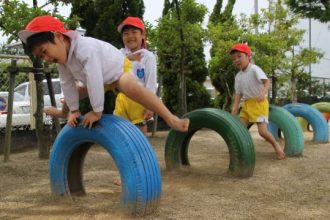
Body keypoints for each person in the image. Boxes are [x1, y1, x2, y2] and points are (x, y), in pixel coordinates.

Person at [18, 15, 189, 133]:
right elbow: (66, 84)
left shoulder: (84, 49)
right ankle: (66, 112)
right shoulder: (62, 60)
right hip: (100, 80)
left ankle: (171, 119)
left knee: (129, 86)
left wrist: (97, 112)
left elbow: (93, 79)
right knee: (74, 92)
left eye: (45, 51)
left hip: (117, 72)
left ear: (58, 37)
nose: (47, 58)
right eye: (42, 56)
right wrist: (76, 110)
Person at [230, 43, 285, 160]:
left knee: (262, 132)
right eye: (234, 58)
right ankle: (243, 151)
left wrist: (262, 93)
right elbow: (238, 93)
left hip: (259, 104)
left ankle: (277, 146)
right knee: (239, 129)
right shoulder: (238, 76)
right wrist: (235, 107)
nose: (236, 60)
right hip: (246, 105)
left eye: (239, 56)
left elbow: (267, 82)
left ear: (248, 56)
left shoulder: (255, 69)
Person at [114, 16, 157, 136]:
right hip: (122, 98)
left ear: (142, 35)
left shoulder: (148, 56)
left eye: (134, 32)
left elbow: (151, 82)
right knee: (120, 132)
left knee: (139, 131)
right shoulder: (119, 54)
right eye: (126, 33)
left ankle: (141, 154)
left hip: (140, 98)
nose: (130, 36)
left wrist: (150, 105)